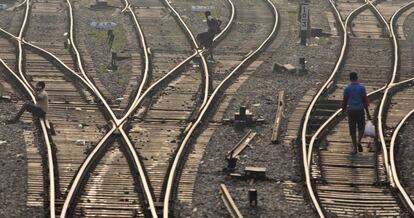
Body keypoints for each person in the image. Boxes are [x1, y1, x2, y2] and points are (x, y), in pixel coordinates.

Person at [341, 72, 371, 154]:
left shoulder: (347, 88)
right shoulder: (362, 88)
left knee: (352, 129)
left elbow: (345, 101)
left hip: (351, 111)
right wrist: (368, 113)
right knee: (361, 127)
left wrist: (343, 111)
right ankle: (359, 141)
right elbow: (365, 100)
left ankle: (354, 147)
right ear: (357, 77)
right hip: (360, 110)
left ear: (350, 78)